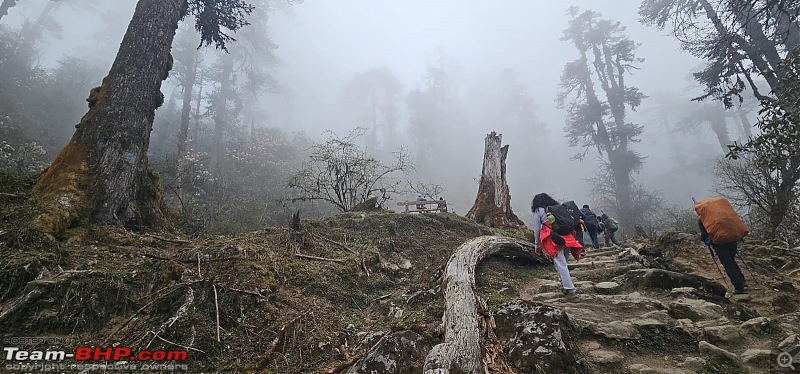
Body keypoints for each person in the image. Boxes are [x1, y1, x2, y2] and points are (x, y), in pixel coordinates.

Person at [531, 193, 584, 296]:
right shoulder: (558, 208)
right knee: (563, 264)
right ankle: (564, 284)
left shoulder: (539, 210)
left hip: (555, 238)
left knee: (560, 264)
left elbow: (536, 229)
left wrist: (537, 245)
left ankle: (570, 288)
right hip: (567, 237)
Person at [699, 219, 747, 294]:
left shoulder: (703, 219)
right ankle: (742, 280)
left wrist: (705, 240)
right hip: (732, 240)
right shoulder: (721, 215)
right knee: (732, 260)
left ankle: (739, 287)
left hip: (719, 243)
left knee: (728, 264)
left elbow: (704, 235)